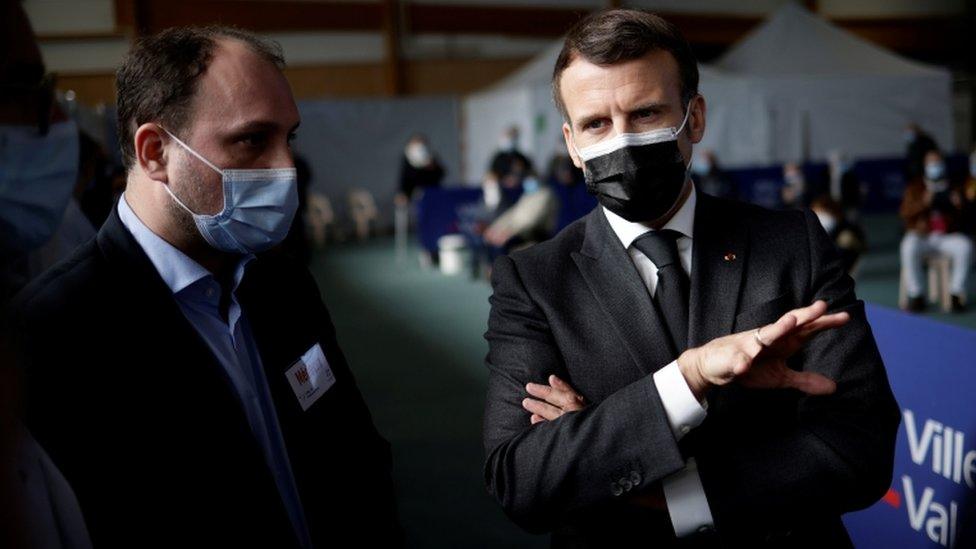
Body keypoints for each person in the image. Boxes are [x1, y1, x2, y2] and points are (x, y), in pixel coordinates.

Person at [482, 9, 900, 548]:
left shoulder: (791, 241)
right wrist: (688, 378)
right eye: (596, 125)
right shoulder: (533, 279)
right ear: (571, 142)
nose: (622, 142)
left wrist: (654, 484)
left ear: (694, 118)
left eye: (646, 113)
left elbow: (860, 445)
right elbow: (522, 481)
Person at [11, 26, 399, 547]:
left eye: (290, 138)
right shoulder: (52, 332)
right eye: (252, 140)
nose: (285, 169)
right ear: (154, 153)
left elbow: (355, 456)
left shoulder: (283, 283)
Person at [899, 149, 972, 313]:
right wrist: (924, 202)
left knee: (965, 246)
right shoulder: (915, 186)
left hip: (947, 236)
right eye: (931, 163)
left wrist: (959, 205)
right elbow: (905, 212)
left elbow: (967, 218)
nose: (934, 166)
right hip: (923, 236)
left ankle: (955, 293)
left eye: (937, 162)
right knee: (908, 245)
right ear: (925, 165)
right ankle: (917, 294)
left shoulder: (954, 185)